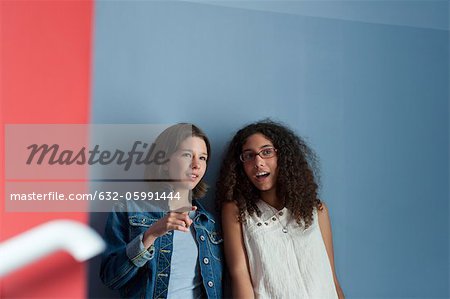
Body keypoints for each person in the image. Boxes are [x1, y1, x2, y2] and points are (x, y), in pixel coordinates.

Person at [217, 120, 344, 299]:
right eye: (249, 155)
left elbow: (332, 278)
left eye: (267, 152)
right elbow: (240, 278)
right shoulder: (236, 212)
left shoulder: (317, 210)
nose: (258, 162)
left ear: (282, 156)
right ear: (241, 165)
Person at [100, 123, 223, 299]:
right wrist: (151, 234)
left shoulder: (208, 223)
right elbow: (111, 279)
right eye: (187, 155)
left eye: (202, 158)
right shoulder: (128, 209)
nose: (196, 165)